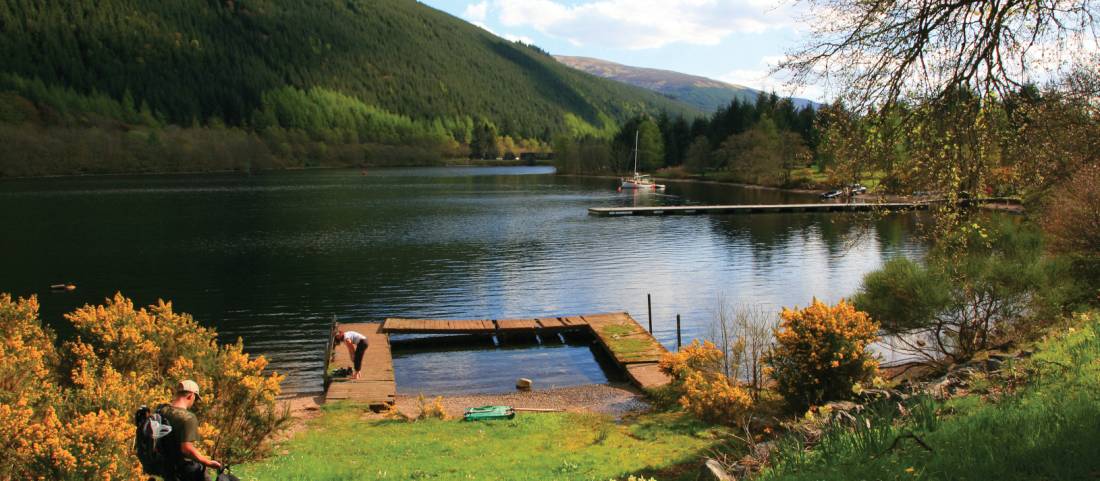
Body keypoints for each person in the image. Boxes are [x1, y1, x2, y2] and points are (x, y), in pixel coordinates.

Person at [160, 380, 222, 481]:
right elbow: (186, 449)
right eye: (196, 398)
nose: (194, 402)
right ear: (191, 395)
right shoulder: (188, 418)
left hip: (167, 468)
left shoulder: (162, 411)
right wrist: (207, 462)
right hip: (184, 470)